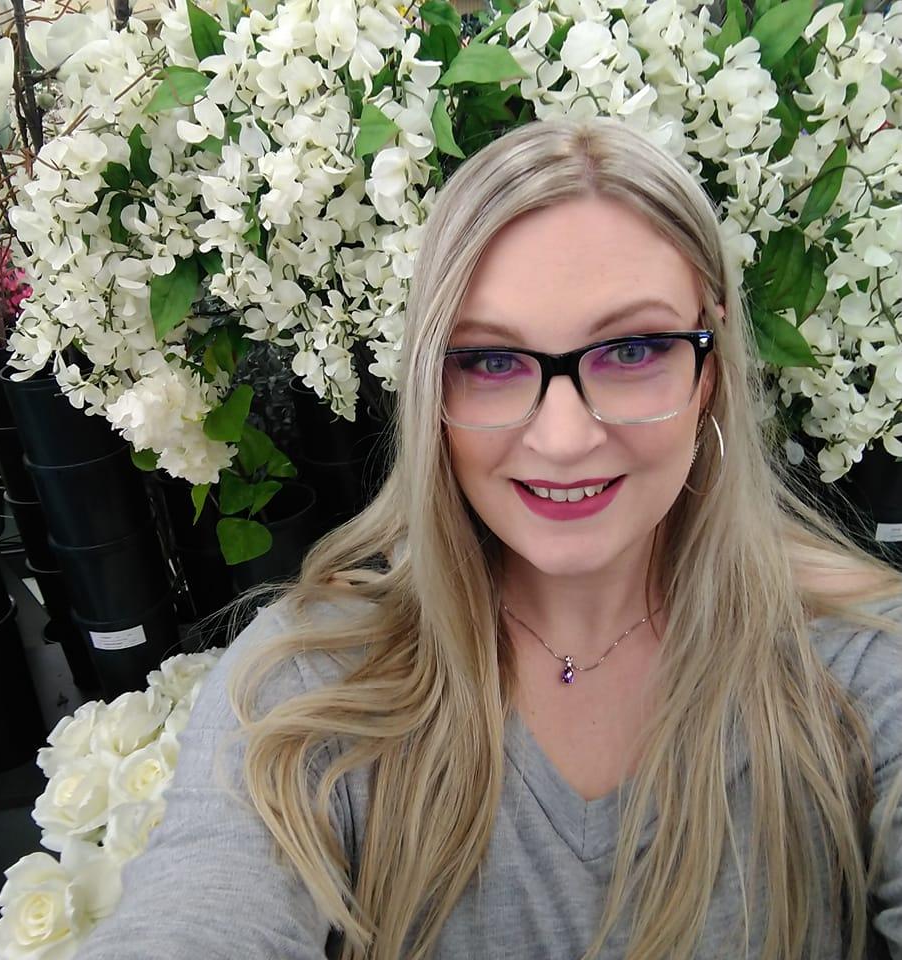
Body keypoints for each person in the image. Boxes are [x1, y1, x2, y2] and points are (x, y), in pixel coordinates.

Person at [75, 118, 902, 960]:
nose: (563, 438)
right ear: (431, 387)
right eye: (491, 362)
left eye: (633, 350)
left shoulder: (863, 662)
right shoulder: (307, 685)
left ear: (709, 369)